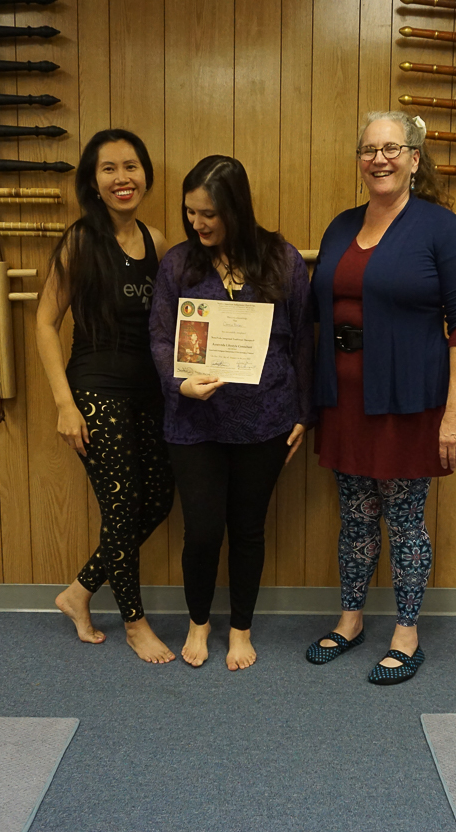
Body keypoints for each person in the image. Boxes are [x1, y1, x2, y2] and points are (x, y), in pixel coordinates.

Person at [305, 111, 456, 685]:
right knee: (355, 517)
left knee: (404, 521)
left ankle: (407, 633)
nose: (378, 159)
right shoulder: (340, 226)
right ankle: (351, 620)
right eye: (368, 149)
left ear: (414, 158)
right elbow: (314, 309)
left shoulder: (440, 228)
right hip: (345, 400)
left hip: (408, 401)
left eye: (391, 148)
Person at [149, 155, 314, 671]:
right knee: (201, 531)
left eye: (209, 214)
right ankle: (198, 622)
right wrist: (179, 382)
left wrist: (305, 414)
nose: (197, 223)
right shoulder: (179, 263)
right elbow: (159, 337)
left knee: (247, 528)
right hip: (193, 422)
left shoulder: (283, 260)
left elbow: (303, 341)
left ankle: (241, 628)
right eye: (190, 212)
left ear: (236, 209)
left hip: (265, 419)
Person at [37, 129, 177, 663]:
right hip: (96, 391)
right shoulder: (81, 241)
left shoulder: (156, 240)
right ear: (92, 182)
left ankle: (78, 592)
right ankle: (135, 624)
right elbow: (45, 323)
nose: (123, 178)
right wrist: (64, 404)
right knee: (122, 510)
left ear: (145, 174)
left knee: (157, 500)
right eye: (109, 169)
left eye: (131, 166)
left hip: (150, 392)